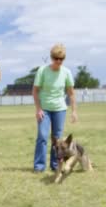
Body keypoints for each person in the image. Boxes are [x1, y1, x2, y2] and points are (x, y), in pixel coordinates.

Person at [32, 43, 78, 173]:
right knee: (42, 136)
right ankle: (39, 167)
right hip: (44, 109)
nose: (58, 61)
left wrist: (74, 111)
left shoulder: (66, 72)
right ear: (51, 58)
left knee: (58, 139)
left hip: (60, 109)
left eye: (61, 59)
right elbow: (35, 91)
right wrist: (38, 109)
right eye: (56, 58)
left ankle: (55, 165)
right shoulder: (42, 71)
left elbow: (71, 93)